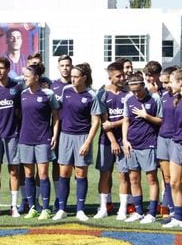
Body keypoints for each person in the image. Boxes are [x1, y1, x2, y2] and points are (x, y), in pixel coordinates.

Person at [52, 63, 102, 221]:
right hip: (65, 137)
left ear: (84, 78)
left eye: (75, 76)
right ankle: (61, 209)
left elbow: (96, 122)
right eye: (71, 76)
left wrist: (87, 143)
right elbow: (57, 113)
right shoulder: (66, 91)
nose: (72, 79)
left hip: (82, 137)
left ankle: (80, 210)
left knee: (80, 174)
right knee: (64, 173)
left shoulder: (91, 95)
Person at [19, 64, 60, 220]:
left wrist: (54, 136)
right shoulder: (22, 94)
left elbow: (56, 117)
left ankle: (45, 208)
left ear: (36, 78)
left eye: (27, 76)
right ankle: (32, 208)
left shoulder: (48, 94)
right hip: (25, 139)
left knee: (42, 174)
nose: (24, 78)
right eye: (24, 75)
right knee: (28, 174)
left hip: (43, 139)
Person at [122, 72, 162, 224]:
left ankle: (151, 213)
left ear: (143, 86)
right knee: (133, 178)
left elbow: (160, 121)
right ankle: (138, 211)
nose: (136, 94)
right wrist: (125, 140)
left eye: (138, 90)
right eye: (133, 91)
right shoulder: (129, 99)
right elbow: (126, 120)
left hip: (149, 143)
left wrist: (146, 116)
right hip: (132, 144)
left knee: (151, 178)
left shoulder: (155, 98)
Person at [0, 57, 23, 218]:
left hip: (12, 135)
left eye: (2, 68)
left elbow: (21, 109)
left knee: (14, 171)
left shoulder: (16, 87)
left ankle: (14, 206)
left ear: (8, 69)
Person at [94, 61, 130, 220]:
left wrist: (117, 130)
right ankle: (103, 207)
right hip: (106, 141)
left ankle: (122, 209)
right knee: (105, 174)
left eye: (123, 75)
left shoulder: (128, 94)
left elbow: (130, 118)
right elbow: (104, 122)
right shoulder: (102, 94)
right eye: (118, 75)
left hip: (125, 141)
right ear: (110, 77)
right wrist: (113, 141)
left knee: (124, 175)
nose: (122, 78)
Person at [45, 54, 72, 214]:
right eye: (62, 65)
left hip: (74, 131)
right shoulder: (52, 86)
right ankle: (58, 199)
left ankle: (66, 200)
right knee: (56, 165)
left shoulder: (77, 83)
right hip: (56, 130)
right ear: (58, 67)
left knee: (74, 168)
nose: (65, 68)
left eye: (68, 65)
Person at [157, 67, 179, 222]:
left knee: (176, 179)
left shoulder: (179, 98)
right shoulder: (164, 96)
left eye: (168, 82)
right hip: (164, 138)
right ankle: (171, 210)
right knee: (168, 177)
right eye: (164, 82)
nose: (166, 86)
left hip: (176, 140)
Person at [163, 69, 182, 228]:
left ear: (180, 82)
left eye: (172, 81)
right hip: (177, 143)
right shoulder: (176, 100)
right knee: (174, 182)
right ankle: (178, 217)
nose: (169, 85)